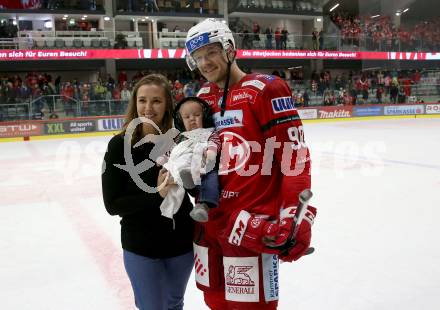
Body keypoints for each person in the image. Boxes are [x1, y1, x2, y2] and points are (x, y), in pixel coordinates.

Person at [184, 18, 317, 310]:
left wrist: (295, 213)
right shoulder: (203, 98)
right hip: (210, 228)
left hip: (249, 226)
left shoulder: (266, 89)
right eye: (198, 57)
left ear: (230, 49)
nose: (204, 63)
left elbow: (293, 155)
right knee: (214, 301)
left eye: (211, 53)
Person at [101, 74, 194, 310]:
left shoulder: (179, 142)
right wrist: (157, 195)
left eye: (156, 101)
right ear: (135, 103)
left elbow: (195, 191)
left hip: (181, 242)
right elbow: (113, 204)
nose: (148, 108)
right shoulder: (119, 146)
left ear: (167, 106)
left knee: (174, 303)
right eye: (142, 100)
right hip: (141, 244)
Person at [163, 96, 221, 223]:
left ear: (205, 117)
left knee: (211, 177)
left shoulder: (209, 133)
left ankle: (203, 206)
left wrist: (211, 152)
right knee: (177, 168)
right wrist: (164, 158)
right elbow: (173, 150)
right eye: (187, 117)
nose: (192, 119)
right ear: (180, 121)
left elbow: (215, 143)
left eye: (196, 115)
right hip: (186, 164)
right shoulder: (181, 137)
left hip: (204, 165)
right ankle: (187, 178)